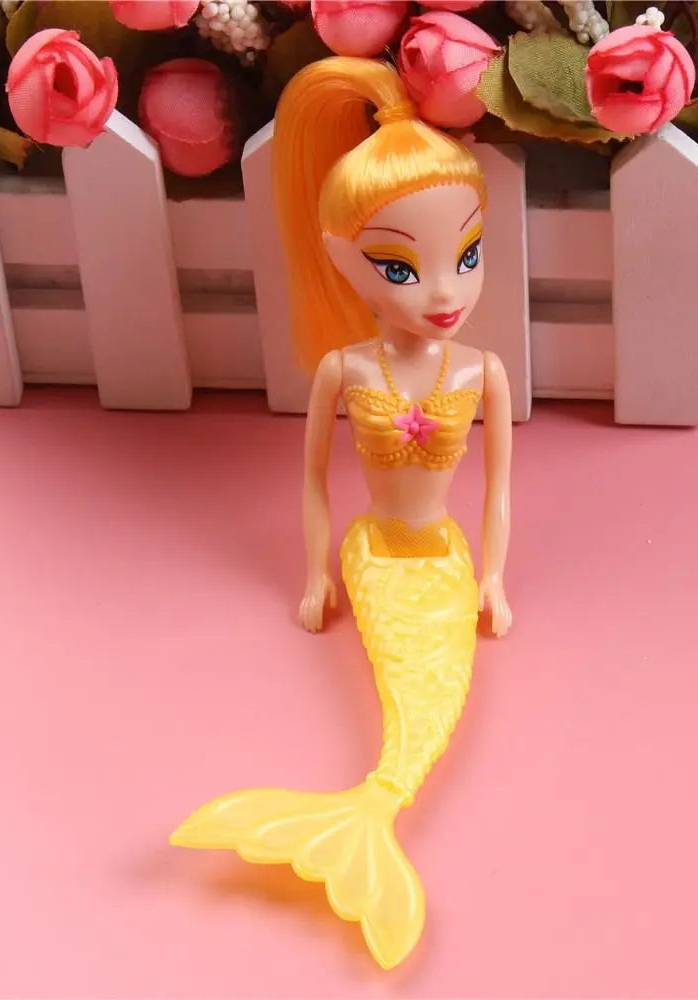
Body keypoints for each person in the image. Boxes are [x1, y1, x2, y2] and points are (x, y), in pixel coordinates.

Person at [170, 55, 513, 971]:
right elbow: (315, 482)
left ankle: (372, 813)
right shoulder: (344, 371)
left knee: (433, 696)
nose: (445, 293)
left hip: (442, 558)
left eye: (467, 256)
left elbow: (500, 489)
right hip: (374, 555)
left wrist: (493, 577)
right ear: (340, 260)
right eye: (402, 266)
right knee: (399, 679)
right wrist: (317, 571)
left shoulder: (482, 372)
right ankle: (361, 821)